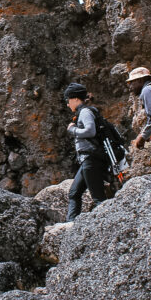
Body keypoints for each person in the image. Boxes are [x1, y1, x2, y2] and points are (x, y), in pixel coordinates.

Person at [64, 83, 107, 222]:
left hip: (91, 159)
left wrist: (72, 130)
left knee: (98, 198)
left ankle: (109, 225)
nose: (67, 104)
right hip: (87, 160)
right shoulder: (84, 112)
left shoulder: (85, 112)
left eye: (68, 100)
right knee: (74, 193)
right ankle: (71, 227)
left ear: (76, 99)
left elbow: (90, 131)